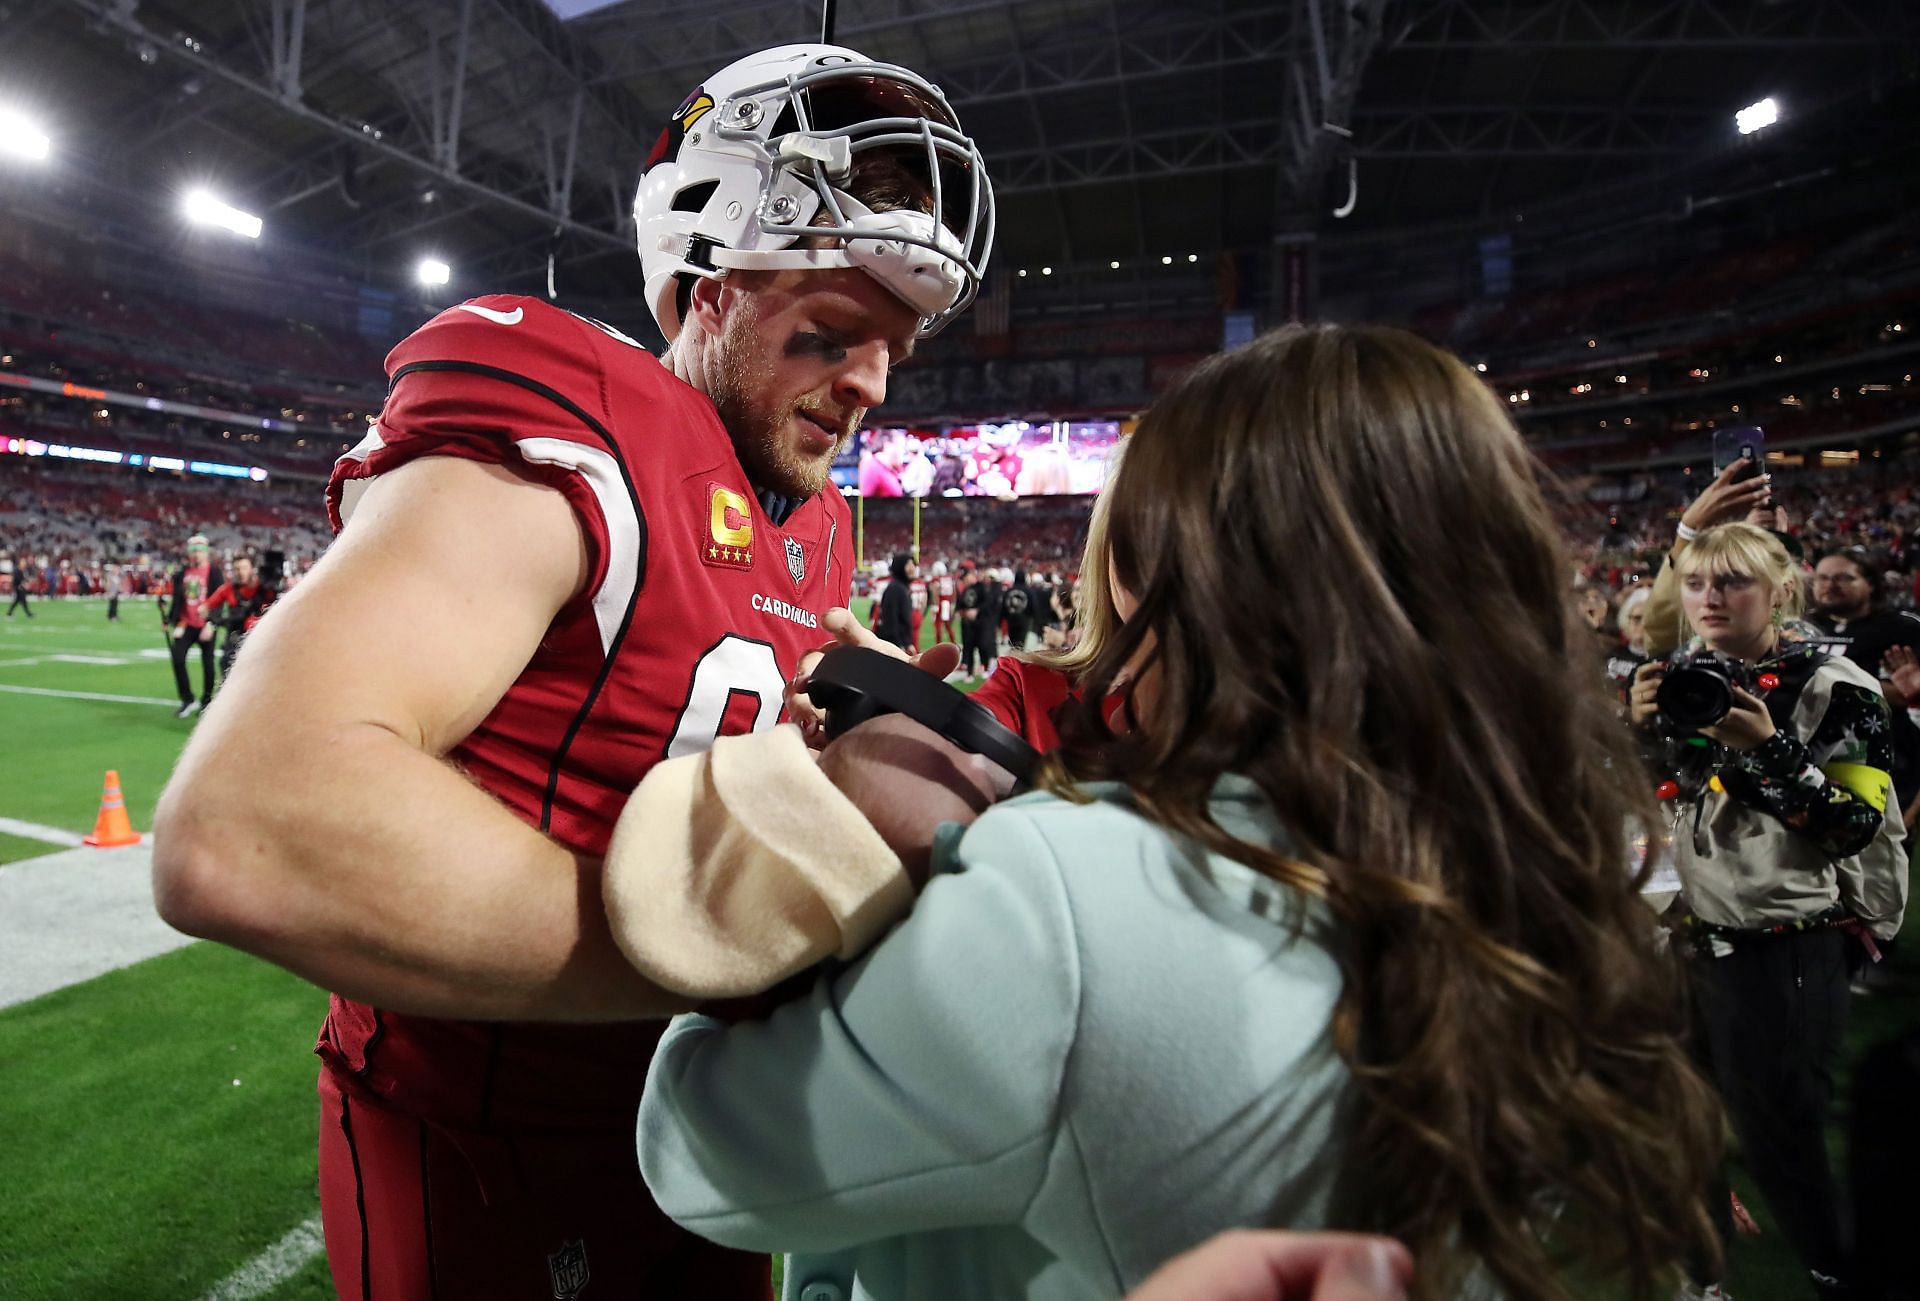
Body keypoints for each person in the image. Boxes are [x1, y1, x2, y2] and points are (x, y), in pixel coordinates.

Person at [634, 325, 1725, 1301]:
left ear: (1155, 564)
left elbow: (701, 1151)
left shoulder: (1068, 899)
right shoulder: (1558, 873)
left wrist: (808, 840)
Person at [150, 40, 992, 1301]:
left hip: (693, 1125)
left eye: (894, 346)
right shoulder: (578, 428)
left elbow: (705, 665)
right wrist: (740, 945)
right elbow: (247, 824)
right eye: (828, 332)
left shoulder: (805, 514)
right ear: (700, 289)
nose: (870, 381)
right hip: (489, 1148)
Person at [1628, 523, 1907, 1299]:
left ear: (1781, 588)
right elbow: (1670, 796)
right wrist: (1643, 723)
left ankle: (1840, 1278)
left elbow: (1853, 825)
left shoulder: (1843, 686)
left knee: (1782, 1140)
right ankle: (1702, 1274)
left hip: (1785, 944)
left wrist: (1769, 746)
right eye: (1695, 582)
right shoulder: (1693, 676)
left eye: (1732, 581)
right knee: (1679, 1117)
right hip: (1694, 932)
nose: (1709, 597)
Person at [1804, 547, 1920, 829]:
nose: (1830, 585)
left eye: (1844, 578)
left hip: (1884, 758)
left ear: (1870, 583)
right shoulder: (1803, 628)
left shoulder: (1902, 628)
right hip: (1808, 756)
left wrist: (1826, 684)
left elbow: (1908, 695)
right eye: (1822, 578)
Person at [162, 535, 221, 719]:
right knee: (177, 658)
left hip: (206, 624)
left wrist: (212, 623)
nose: (196, 555)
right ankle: (187, 698)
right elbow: (178, 600)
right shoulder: (181, 573)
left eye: (200, 551)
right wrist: (169, 619)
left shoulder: (214, 572)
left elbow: (219, 600)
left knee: (208, 663)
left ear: (206, 552)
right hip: (185, 623)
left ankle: (206, 701)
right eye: (193, 551)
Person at [874, 551, 917, 651]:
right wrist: (899, 645)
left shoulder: (903, 588)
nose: (913, 568)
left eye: (913, 565)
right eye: (909, 565)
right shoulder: (895, 589)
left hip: (900, 643)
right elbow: (890, 620)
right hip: (894, 645)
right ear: (900, 567)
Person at [4, 551, 30, 619]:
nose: (24, 564)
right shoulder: (17, 570)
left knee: (17, 602)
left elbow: (23, 579)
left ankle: (9, 613)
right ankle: (29, 614)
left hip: (21, 588)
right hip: (18, 588)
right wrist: (21, 584)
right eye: (23, 562)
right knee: (22, 601)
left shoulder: (22, 570)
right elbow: (16, 580)